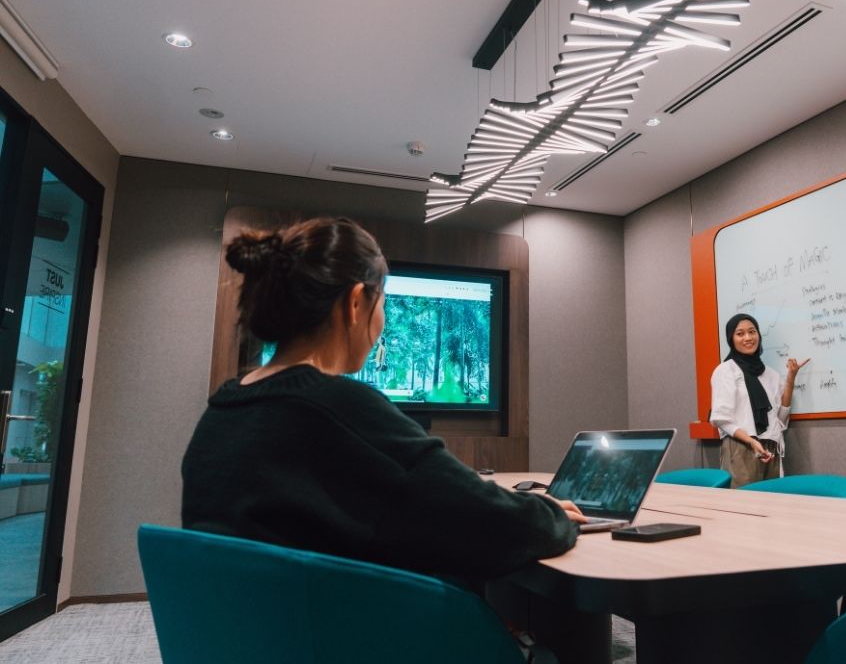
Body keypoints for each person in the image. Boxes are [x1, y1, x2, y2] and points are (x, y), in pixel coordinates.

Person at [182, 216, 584, 586]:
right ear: (357, 302)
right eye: (384, 301)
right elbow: (483, 520)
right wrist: (549, 513)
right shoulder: (340, 407)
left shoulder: (222, 412)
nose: (383, 322)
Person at [709, 313, 809, 487]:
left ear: (759, 335)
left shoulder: (770, 374)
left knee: (771, 506)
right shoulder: (726, 370)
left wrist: (791, 378)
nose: (748, 338)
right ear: (731, 339)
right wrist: (751, 441)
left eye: (752, 332)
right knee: (742, 508)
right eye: (740, 333)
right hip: (741, 447)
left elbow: (781, 419)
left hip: (771, 448)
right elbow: (721, 418)